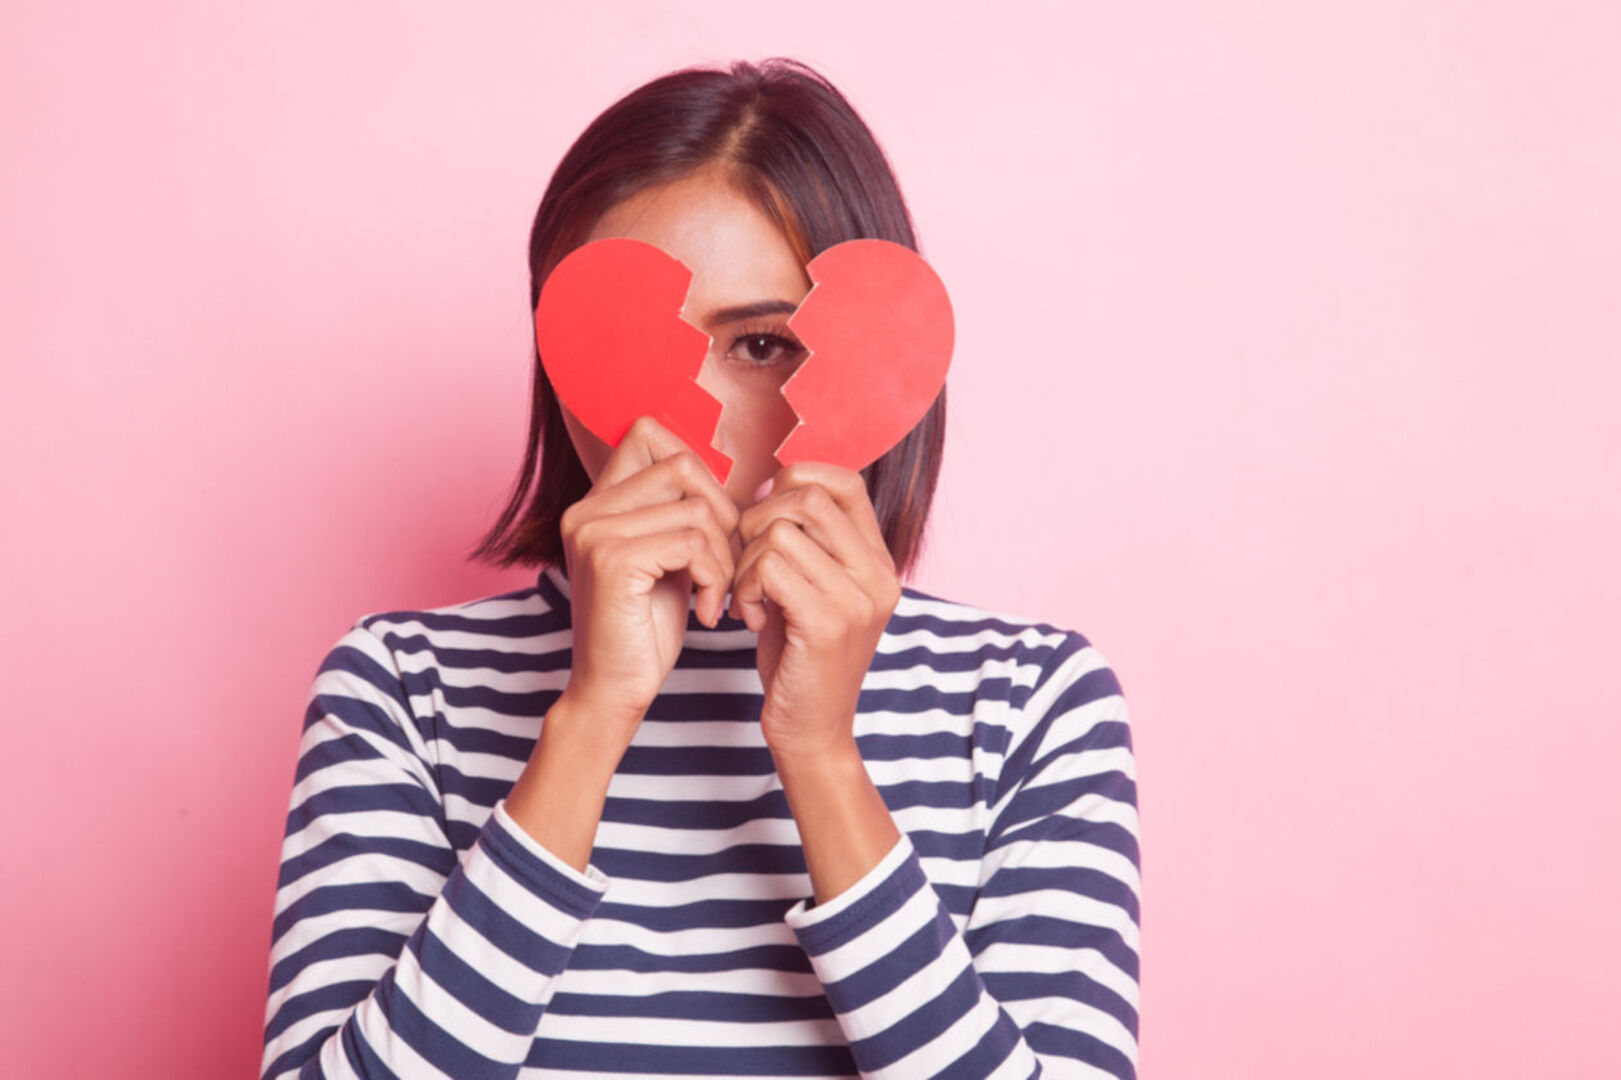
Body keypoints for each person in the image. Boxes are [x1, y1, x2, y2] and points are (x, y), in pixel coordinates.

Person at [260, 58, 1141, 1080]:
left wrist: (820, 755)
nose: (700, 429)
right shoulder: (403, 690)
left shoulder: (1031, 705)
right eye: (628, 344)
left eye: (761, 346)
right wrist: (591, 717)